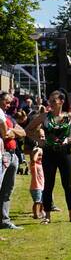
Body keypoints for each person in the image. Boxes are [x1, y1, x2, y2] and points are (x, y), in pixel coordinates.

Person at [27, 89, 71, 224]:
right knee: (48, 184)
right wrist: (39, 141)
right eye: (49, 100)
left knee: (67, 184)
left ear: (61, 101)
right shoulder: (44, 116)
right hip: (49, 153)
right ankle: (47, 216)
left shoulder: (69, 116)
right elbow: (28, 130)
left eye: (53, 100)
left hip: (65, 153)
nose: (50, 103)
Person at [0, 92, 26, 230]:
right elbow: (4, 135)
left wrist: (12, 132)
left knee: (7, 190)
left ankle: (4, 220)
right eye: (6, 101)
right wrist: (10, 132)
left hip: (13, 155)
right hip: (3, 154)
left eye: (10, 103)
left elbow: (23, 132)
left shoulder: (9, 117)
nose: (8, 105)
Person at [28, 143, 44, 220]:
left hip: (42, 186)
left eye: (41, 155)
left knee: (42, 201)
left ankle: (41, 213)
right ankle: (36, 214)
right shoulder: (33, 164)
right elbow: (34, 160)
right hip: (36, 187)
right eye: (38, 155)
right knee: (37, 202)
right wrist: (37, 151)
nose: (39, 157)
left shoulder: (41, 164)